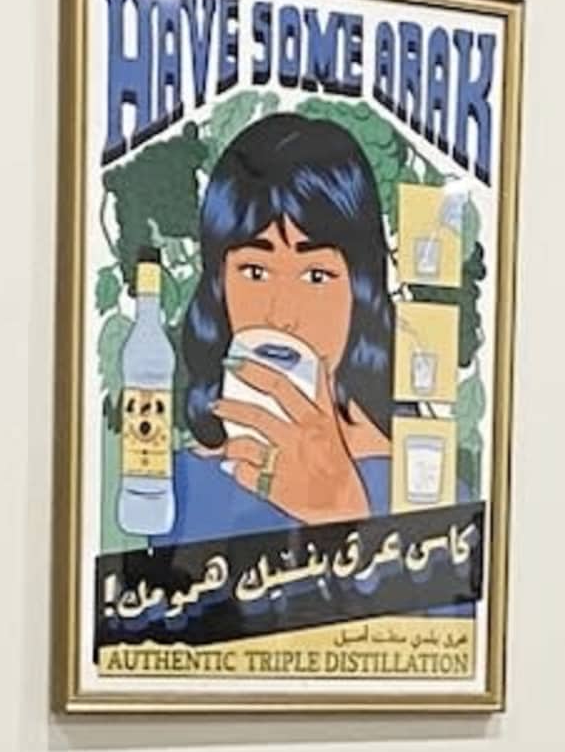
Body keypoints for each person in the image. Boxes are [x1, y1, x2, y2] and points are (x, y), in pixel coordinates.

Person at [167, 113, 397, 538]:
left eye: (316, 276)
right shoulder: (178, 483)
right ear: (218, 286)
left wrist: (343, 509)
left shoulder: (423, 486)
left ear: (360, 290)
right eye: (255, 271)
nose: (282, 314)